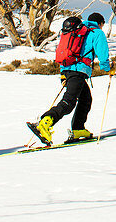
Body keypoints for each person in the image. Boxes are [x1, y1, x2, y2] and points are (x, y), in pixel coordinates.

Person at [30, 12, 111, 145]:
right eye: (102, 25)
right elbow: (103, 55)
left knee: (85, 99)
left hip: (67, 70)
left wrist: (63, 74)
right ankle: (45, 123)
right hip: (78, 72)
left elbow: (64, 52)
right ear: (100, 23)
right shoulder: (97, 33)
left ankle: (78, 129)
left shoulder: (75, 31)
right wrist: (108, 68)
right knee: (69, 102)